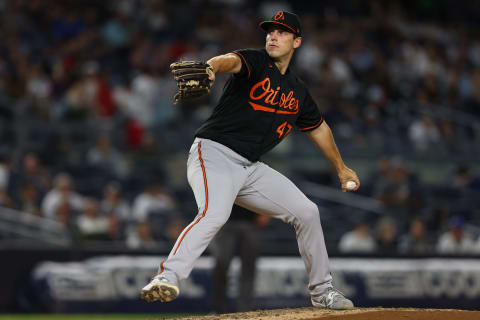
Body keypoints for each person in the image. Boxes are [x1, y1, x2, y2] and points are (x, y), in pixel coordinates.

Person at [141, 11, 360, 310]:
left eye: (282, 32)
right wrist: (209, 67)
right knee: (214, 213)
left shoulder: (297, 91)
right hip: (214, 153)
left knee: (307, 212)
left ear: (297, 42)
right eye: (270, 31)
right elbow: (229, 61)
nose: (273, 36)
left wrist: (341, 167)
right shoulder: (256, 62)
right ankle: (167, 277)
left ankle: (322, 292)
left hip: (251, 167)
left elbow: (318, 128)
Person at [210, 204, 269, 313]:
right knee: (221, 266)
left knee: (248, 270)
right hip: (225, 223)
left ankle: (245, 311)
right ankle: (218, 310)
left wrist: (266, 212)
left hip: (251, 222)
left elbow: (268, 188)